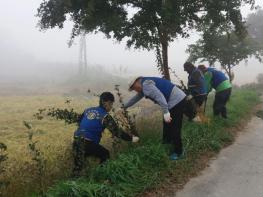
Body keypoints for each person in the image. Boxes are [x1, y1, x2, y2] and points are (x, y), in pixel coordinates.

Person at [73, 92, 139, 176]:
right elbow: (117, 132)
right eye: (111, 104)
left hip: (76, 141)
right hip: (87, 143)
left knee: (78, 168)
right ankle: (100, 176)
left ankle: (71, 185)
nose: (111, 107)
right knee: (105, 154)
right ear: (106, 102)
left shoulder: (87, 110)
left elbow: (79, 122)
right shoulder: (105, 116)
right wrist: (132, 139)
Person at [123, 76, 186, 160]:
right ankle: (167, 145)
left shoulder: (146, 85)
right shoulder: (144, 84)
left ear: (137, 81)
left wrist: (166, 112)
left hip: (176, 100)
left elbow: (160, 97)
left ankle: (178, 152)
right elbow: (135, 98)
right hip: (174, 101)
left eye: (134, 88)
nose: (136, 90)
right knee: (167, 125)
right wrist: (123, 107)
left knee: (175, 127)